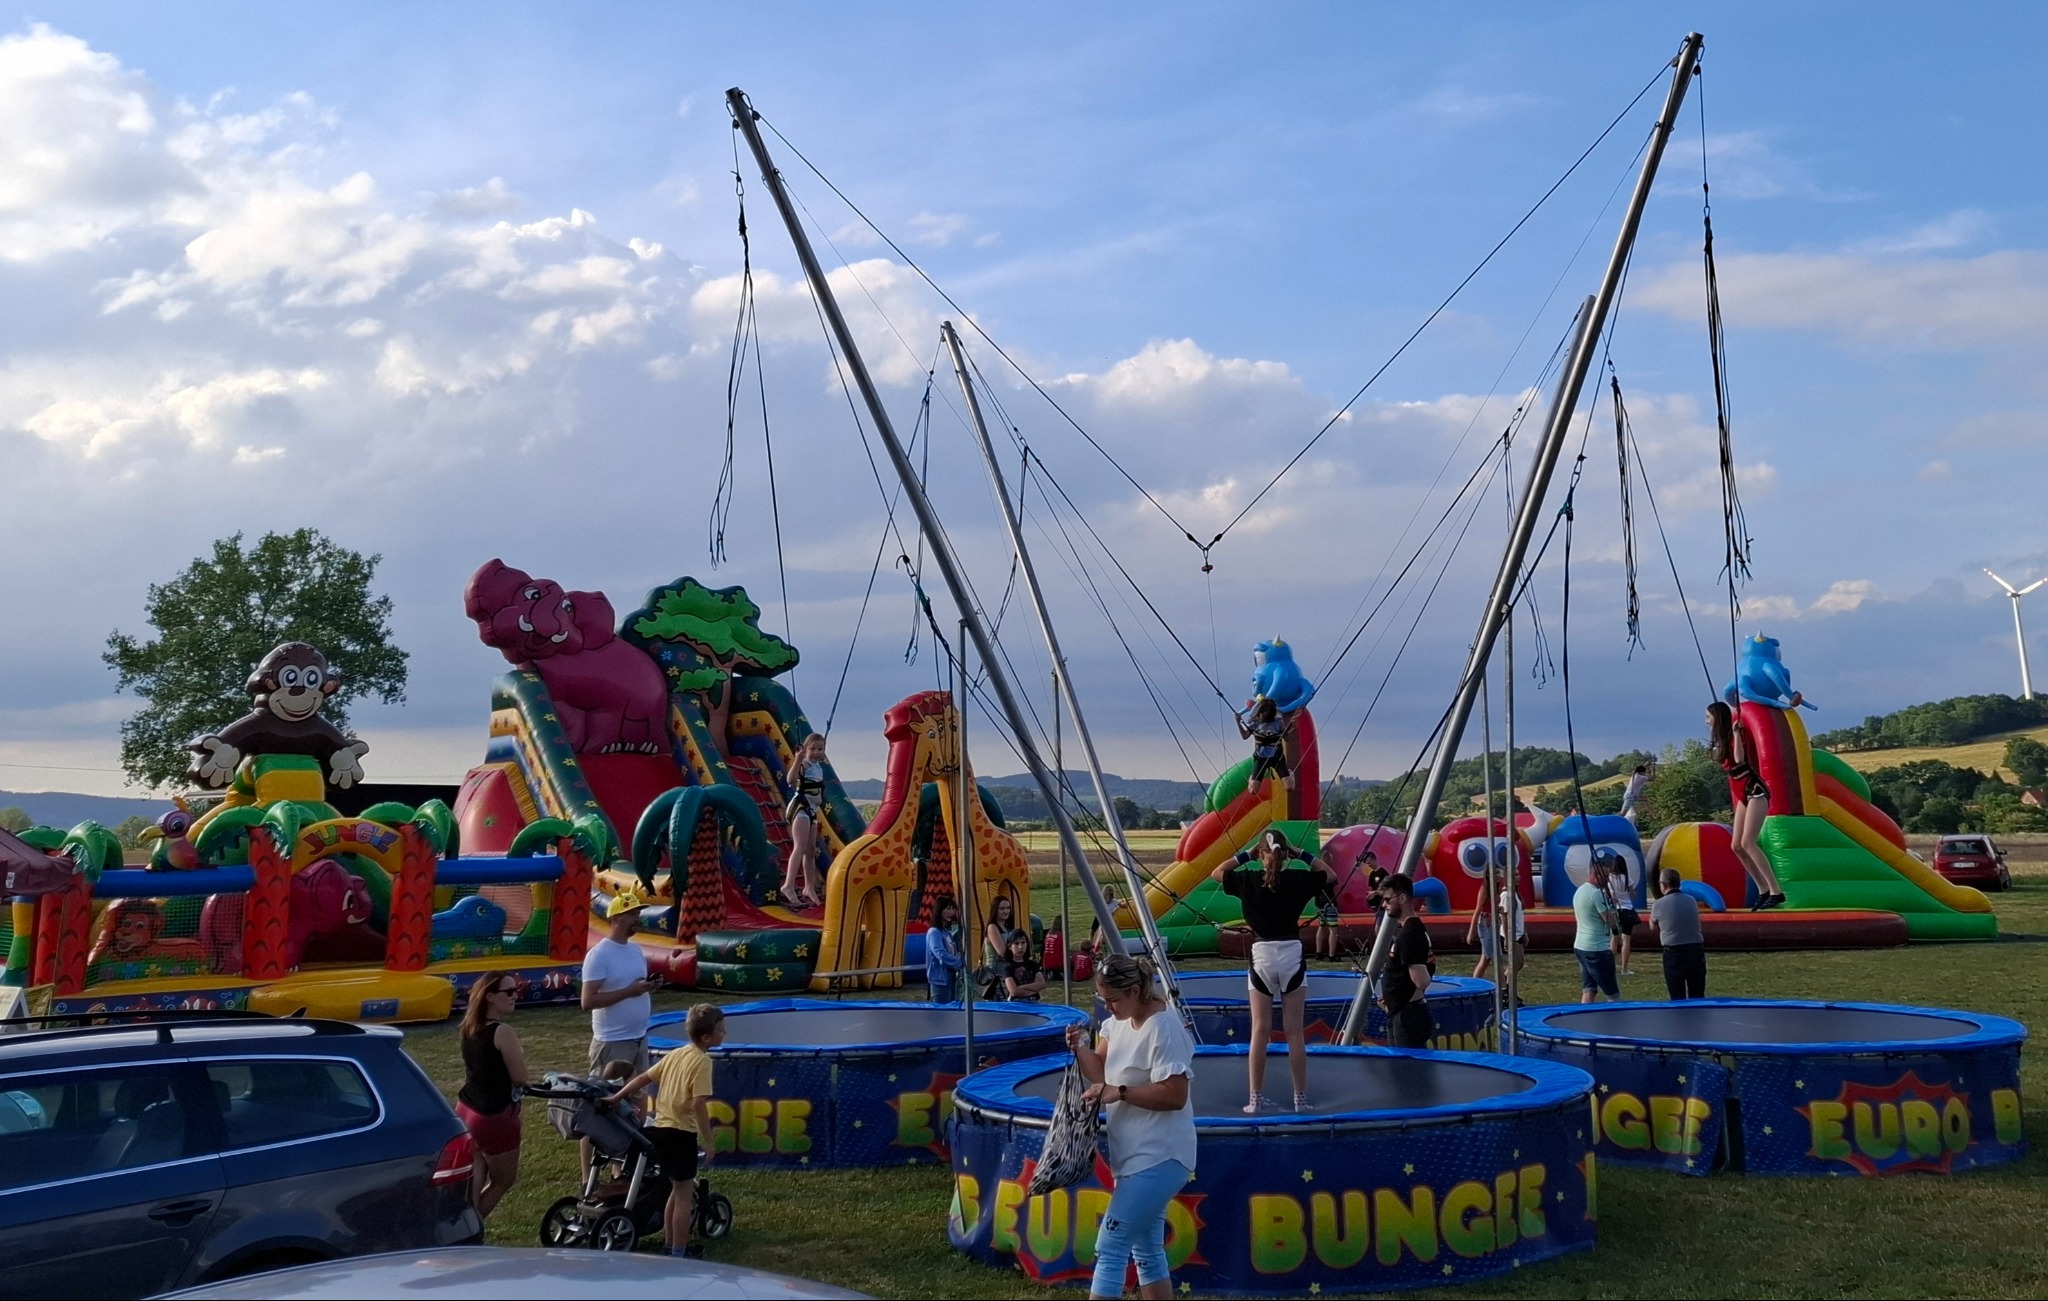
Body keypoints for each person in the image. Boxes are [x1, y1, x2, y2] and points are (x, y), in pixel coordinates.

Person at [1065, 952, 1196, 1301]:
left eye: (1113, 999)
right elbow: (1101, 1074)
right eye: (1102, 999)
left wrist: (1121, 1092)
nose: (1108, 1007)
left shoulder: (1164, 1027)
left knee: (1110, 1246)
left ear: (1136, 990)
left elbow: (1175, 1095)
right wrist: (1079, 1047)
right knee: (1147, 1251)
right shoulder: (1118, 1022)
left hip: (1161, 1154)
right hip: (1134, 1155)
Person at [1211, 829, 1336, 1111]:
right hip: (1291, 953)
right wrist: (1300, 853)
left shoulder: (1249, 879)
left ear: (1261, 854)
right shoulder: (1297, 878)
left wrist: (1247, 856)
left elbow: (1217, 872)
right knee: (1294, 1033)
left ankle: (1254, 1099)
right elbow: (1329, 875)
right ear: (1285, 854)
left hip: (1262, 954)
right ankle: (1300, 1100)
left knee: (1260, 1030)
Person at [610, 1003, 727, 1259]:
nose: (724, 1034)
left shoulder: (676, 1054)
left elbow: (643, 1078)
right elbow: (698, 1103)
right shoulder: (702, 1061)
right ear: (707, 1037)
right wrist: (708, 1140)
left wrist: (617, 1096)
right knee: (684, 1194)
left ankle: (670, 1245)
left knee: (675, 1190)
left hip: (661, 1130)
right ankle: (679, 1252)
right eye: (721, 1030)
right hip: (681, 1133)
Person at [581, 890, 660, 1169]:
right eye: (632, 914)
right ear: (617, 917)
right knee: (600, 1108)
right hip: (612, 1043)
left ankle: (620, 1169)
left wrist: (646, 988)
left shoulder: (636, 950)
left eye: (638, 913)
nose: (637, 918)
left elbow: (632, 988)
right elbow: (587, 1001)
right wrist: (630, 991)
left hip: (639, 1039)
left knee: (634, 1107)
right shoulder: (599, 954)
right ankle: (587, 1176)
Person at [457, 971, 529, 1219]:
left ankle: (461, 1225)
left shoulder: (469, 1027)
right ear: (489, 996)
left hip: (467, 1110)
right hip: (494, 1115)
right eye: (508, 992)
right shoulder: (502, 1031)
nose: (514, 996)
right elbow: (520, 1078)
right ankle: (471, 1233)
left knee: (475, 1176)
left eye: (515, 990)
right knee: (503, 1180)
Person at [1707, 700, 1785, 909]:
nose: (1706, 721)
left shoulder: (1735, 736)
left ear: (1717, 717)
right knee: (1736, 846)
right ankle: (1763, 889)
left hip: (1754, 790)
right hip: (1740, 791)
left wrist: (1735, 734)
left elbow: (1740, 759)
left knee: (1748, 842)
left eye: (1708, 717)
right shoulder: (1719, 740)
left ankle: (1776, 891)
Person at [1377, 874, 1435, 1048]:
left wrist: (1399, 997)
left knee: (1406, 1070)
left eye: (1387, 899)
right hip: (1403, 1011)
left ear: (1402, 898)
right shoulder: (1410, 930)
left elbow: (1421, 980)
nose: (1384, 904)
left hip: (1408, 1015)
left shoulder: (1410, 934)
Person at [781, 733, 830, 908]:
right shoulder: (804, 764)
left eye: (820, 749)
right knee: (800, 847)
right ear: (805, 749)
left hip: (812, 810)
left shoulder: (818, 767)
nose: (816, 752)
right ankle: (788, 885)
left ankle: (808, 887)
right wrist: (797, 760)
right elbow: (790, 780)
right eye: (812, 749)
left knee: (810, 851)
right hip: (800, 808)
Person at [1646, 868, 1707, 1000]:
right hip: (1696, 949)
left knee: (1677, 996)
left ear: (1663, 885)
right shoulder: (1691, 900)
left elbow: (1653, 926)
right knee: (1697, 995)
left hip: (1674, 951)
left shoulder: (1659, 904)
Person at [1573, 856, 1622, 1003]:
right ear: (1595, 875)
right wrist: (1613, 908)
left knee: (1589, 989)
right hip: (1597, 948)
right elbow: (1610, 921)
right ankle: (1617, 1019)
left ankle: (1583, 1016)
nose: (1607, 880)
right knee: (1612, 993)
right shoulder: (1596, 894)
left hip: (1581, 946)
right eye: (1605, 877)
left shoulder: (1580, 891)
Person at [1237, 696, 1296, 794]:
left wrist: (1290, 727)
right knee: (1253, 791)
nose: (1263, 716)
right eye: (1262, 713)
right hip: (1261, 758)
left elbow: (1286, 739)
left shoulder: (1278, 722)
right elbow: (1245, 736)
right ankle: (1253, 778)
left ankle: (1290, 774)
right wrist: (1238, 722)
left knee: (1289, 788)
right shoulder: (1255, 723)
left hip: (1277, 758)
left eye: (1266, 715)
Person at [924, 895, 965, 1003]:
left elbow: (953, 951)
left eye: (953, 909)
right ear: (939, 911)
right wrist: (958, 962)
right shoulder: (934, 932)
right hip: (939, 980)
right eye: (948, 909)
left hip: (951, 978)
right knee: (941, 1011)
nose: (951, 912)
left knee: (952, 1009)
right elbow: (940, 954)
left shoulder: (946, 932)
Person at [1606, 865, 1640, 977]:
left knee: (1614, 939)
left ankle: (1610, 967)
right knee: (1626, 941)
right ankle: (1624, 969)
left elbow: (1612, 896)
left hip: (1616, 910)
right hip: (1627, 909)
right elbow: (1633, 895)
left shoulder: (1609, 878)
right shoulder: (1625, 878)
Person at [1001, 929, 1047, 1001]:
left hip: (1034, 1001)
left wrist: (1021, 987)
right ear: (1010, 946)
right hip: (1016, 1003)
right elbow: (1014, 991)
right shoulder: (1007, 967)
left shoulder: (1032, 964)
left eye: (1023, 943)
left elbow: (1041, 984)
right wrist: (1033, 991)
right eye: (1016, 943)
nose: (1020, 947)